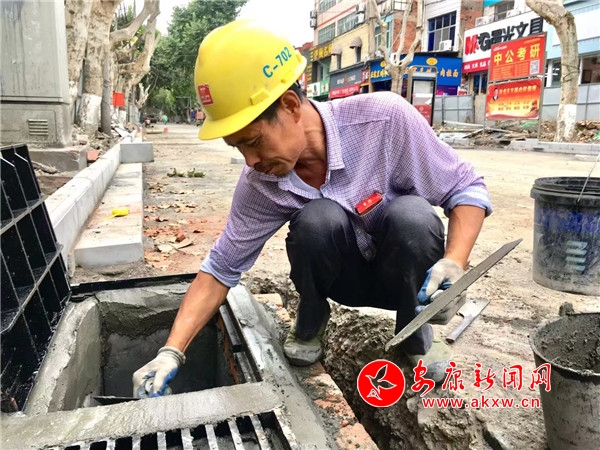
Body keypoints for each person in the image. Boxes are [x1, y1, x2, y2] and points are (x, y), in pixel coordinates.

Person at [132, 20, 492, 398]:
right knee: (318, 220)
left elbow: (466, 188)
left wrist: (454, 261)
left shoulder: (383, 120)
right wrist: (170, 352)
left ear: (290, 106)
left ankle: (415, 332)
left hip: (408, 284)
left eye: (253, 141)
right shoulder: (261, 182)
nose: (250, 161)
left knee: (413, 216)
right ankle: (311, 320)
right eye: (238, 148)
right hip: (341, 283)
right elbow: (220, 268)